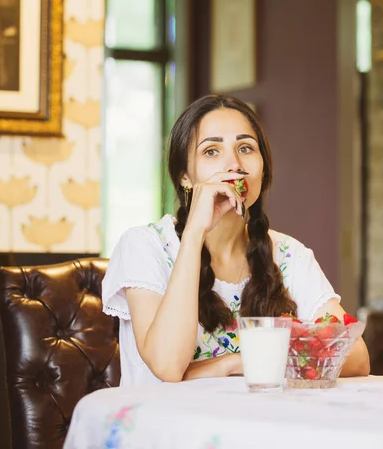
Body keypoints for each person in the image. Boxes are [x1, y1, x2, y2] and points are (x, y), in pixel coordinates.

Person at [102, 95, 370, 386]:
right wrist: (194, 232)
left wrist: (233, 364)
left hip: (262, 426)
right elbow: (167, 365)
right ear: (184, 177)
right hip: (168, 427)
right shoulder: (143, 246)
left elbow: (356, 357)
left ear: (263, 169)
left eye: (245, 148)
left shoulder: (290, 255)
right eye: (211, 151)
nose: (234, 164)